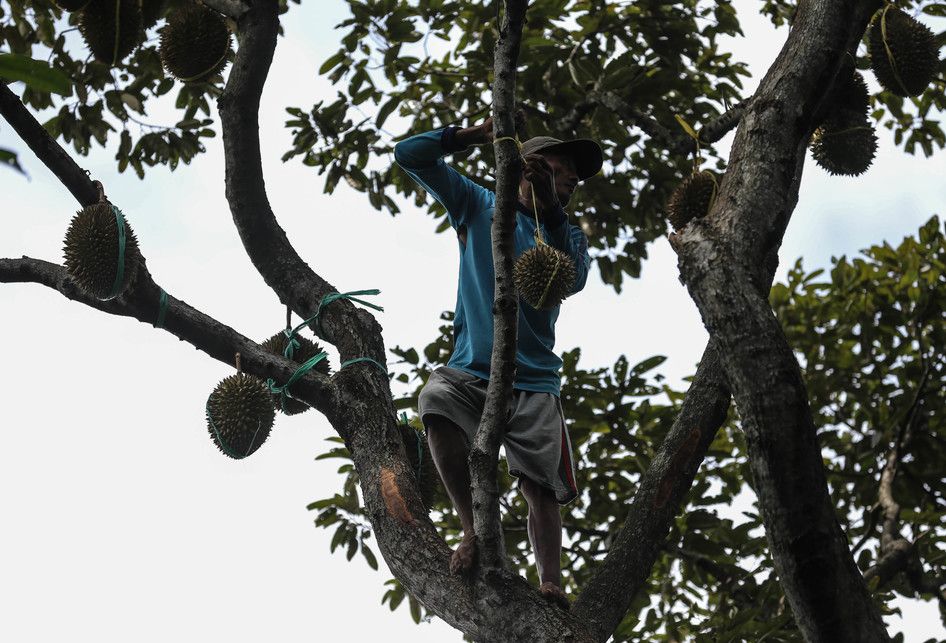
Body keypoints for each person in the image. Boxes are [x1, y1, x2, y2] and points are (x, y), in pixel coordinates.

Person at [394, 117, 602, 608]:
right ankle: (473, 531)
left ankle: (550, 580)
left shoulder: (566, 236)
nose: (572, 177)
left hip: (535, 382)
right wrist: (468, 136)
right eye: (564, 166)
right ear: (530, 164)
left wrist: (551, 209)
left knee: (541, 486)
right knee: (435, 400)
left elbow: (574, 280)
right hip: (472, 370)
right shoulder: (478, 204)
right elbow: (409, 156)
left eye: (575, 174)